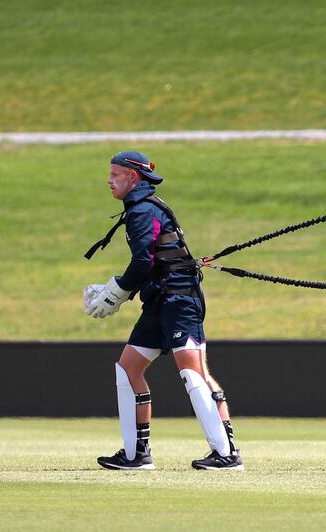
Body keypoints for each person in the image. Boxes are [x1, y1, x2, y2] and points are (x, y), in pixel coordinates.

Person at [84, 151, 243, 471]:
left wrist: (116, 292)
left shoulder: (142, 210)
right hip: (158, 301)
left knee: (193, 371)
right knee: (128, 368)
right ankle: (136, 455)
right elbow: (150, 262)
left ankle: (227, 454)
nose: (109, 180)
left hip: (180, 299)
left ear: (133, 177)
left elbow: (143, 261)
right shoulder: (140, 209)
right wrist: (122, 290)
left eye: (115, 175)